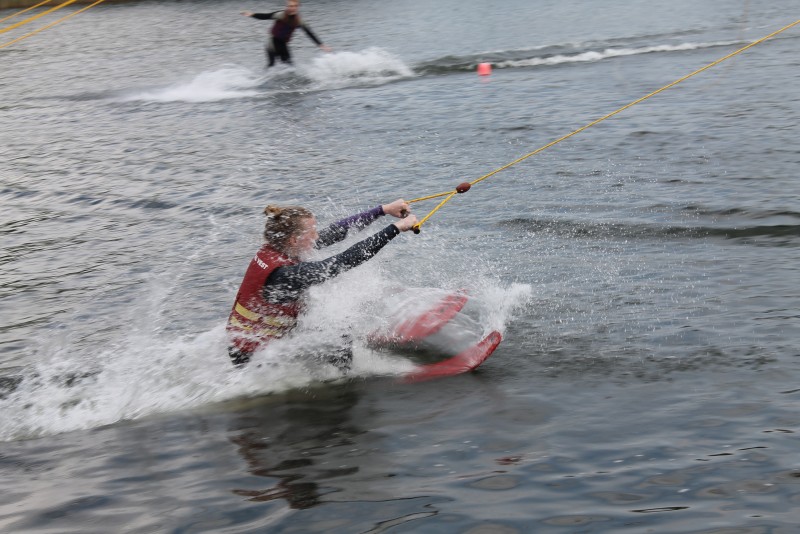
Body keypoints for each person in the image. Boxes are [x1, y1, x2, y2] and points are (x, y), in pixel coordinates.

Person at [226, 199, 418, 367]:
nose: (318, 236)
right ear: (294, 239)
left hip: (258, 342)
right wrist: (396, 228)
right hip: (254, 360)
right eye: (313, 232)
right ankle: (343, 379)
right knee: (339, 332)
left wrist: (383, 210)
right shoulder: (283, 275)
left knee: (328, 316)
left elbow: (337, 231)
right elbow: (344, 261)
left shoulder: (280, 248)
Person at [241, 0, 332, 67]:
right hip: (272, 42)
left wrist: (321, 45)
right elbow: (266, 16)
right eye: (290, 6)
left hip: (283, 44)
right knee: (271, 64)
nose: (292, 8)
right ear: (287, 6)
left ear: (297, 7)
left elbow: (309, 33)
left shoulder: (299, 21)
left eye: (294, 6)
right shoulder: (280, 14)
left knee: (290, 66)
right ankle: (263, 83)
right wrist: (252, 14)